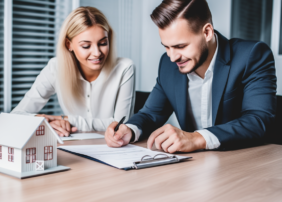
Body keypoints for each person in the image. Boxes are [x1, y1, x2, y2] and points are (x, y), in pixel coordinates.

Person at [105, 0, 276, 152]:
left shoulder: (251, 56)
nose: (172, 57)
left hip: (244, 165)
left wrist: (196, 139)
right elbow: (150, 114)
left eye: (180, 46)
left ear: (207, 32)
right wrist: (129, 130)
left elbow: (258, 120)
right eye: (166, 46)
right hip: (193, 168)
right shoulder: (167, 64)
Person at [11, 7, 135, 137]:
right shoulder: (55, 67)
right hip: (70, 148)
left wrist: (67, 120)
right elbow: (17, 115)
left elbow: (121, 125)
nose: (97, 53)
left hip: (112, 148)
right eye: (86, 46)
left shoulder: (124, 68)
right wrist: (43, 120)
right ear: (69, 44)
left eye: (103, 43)